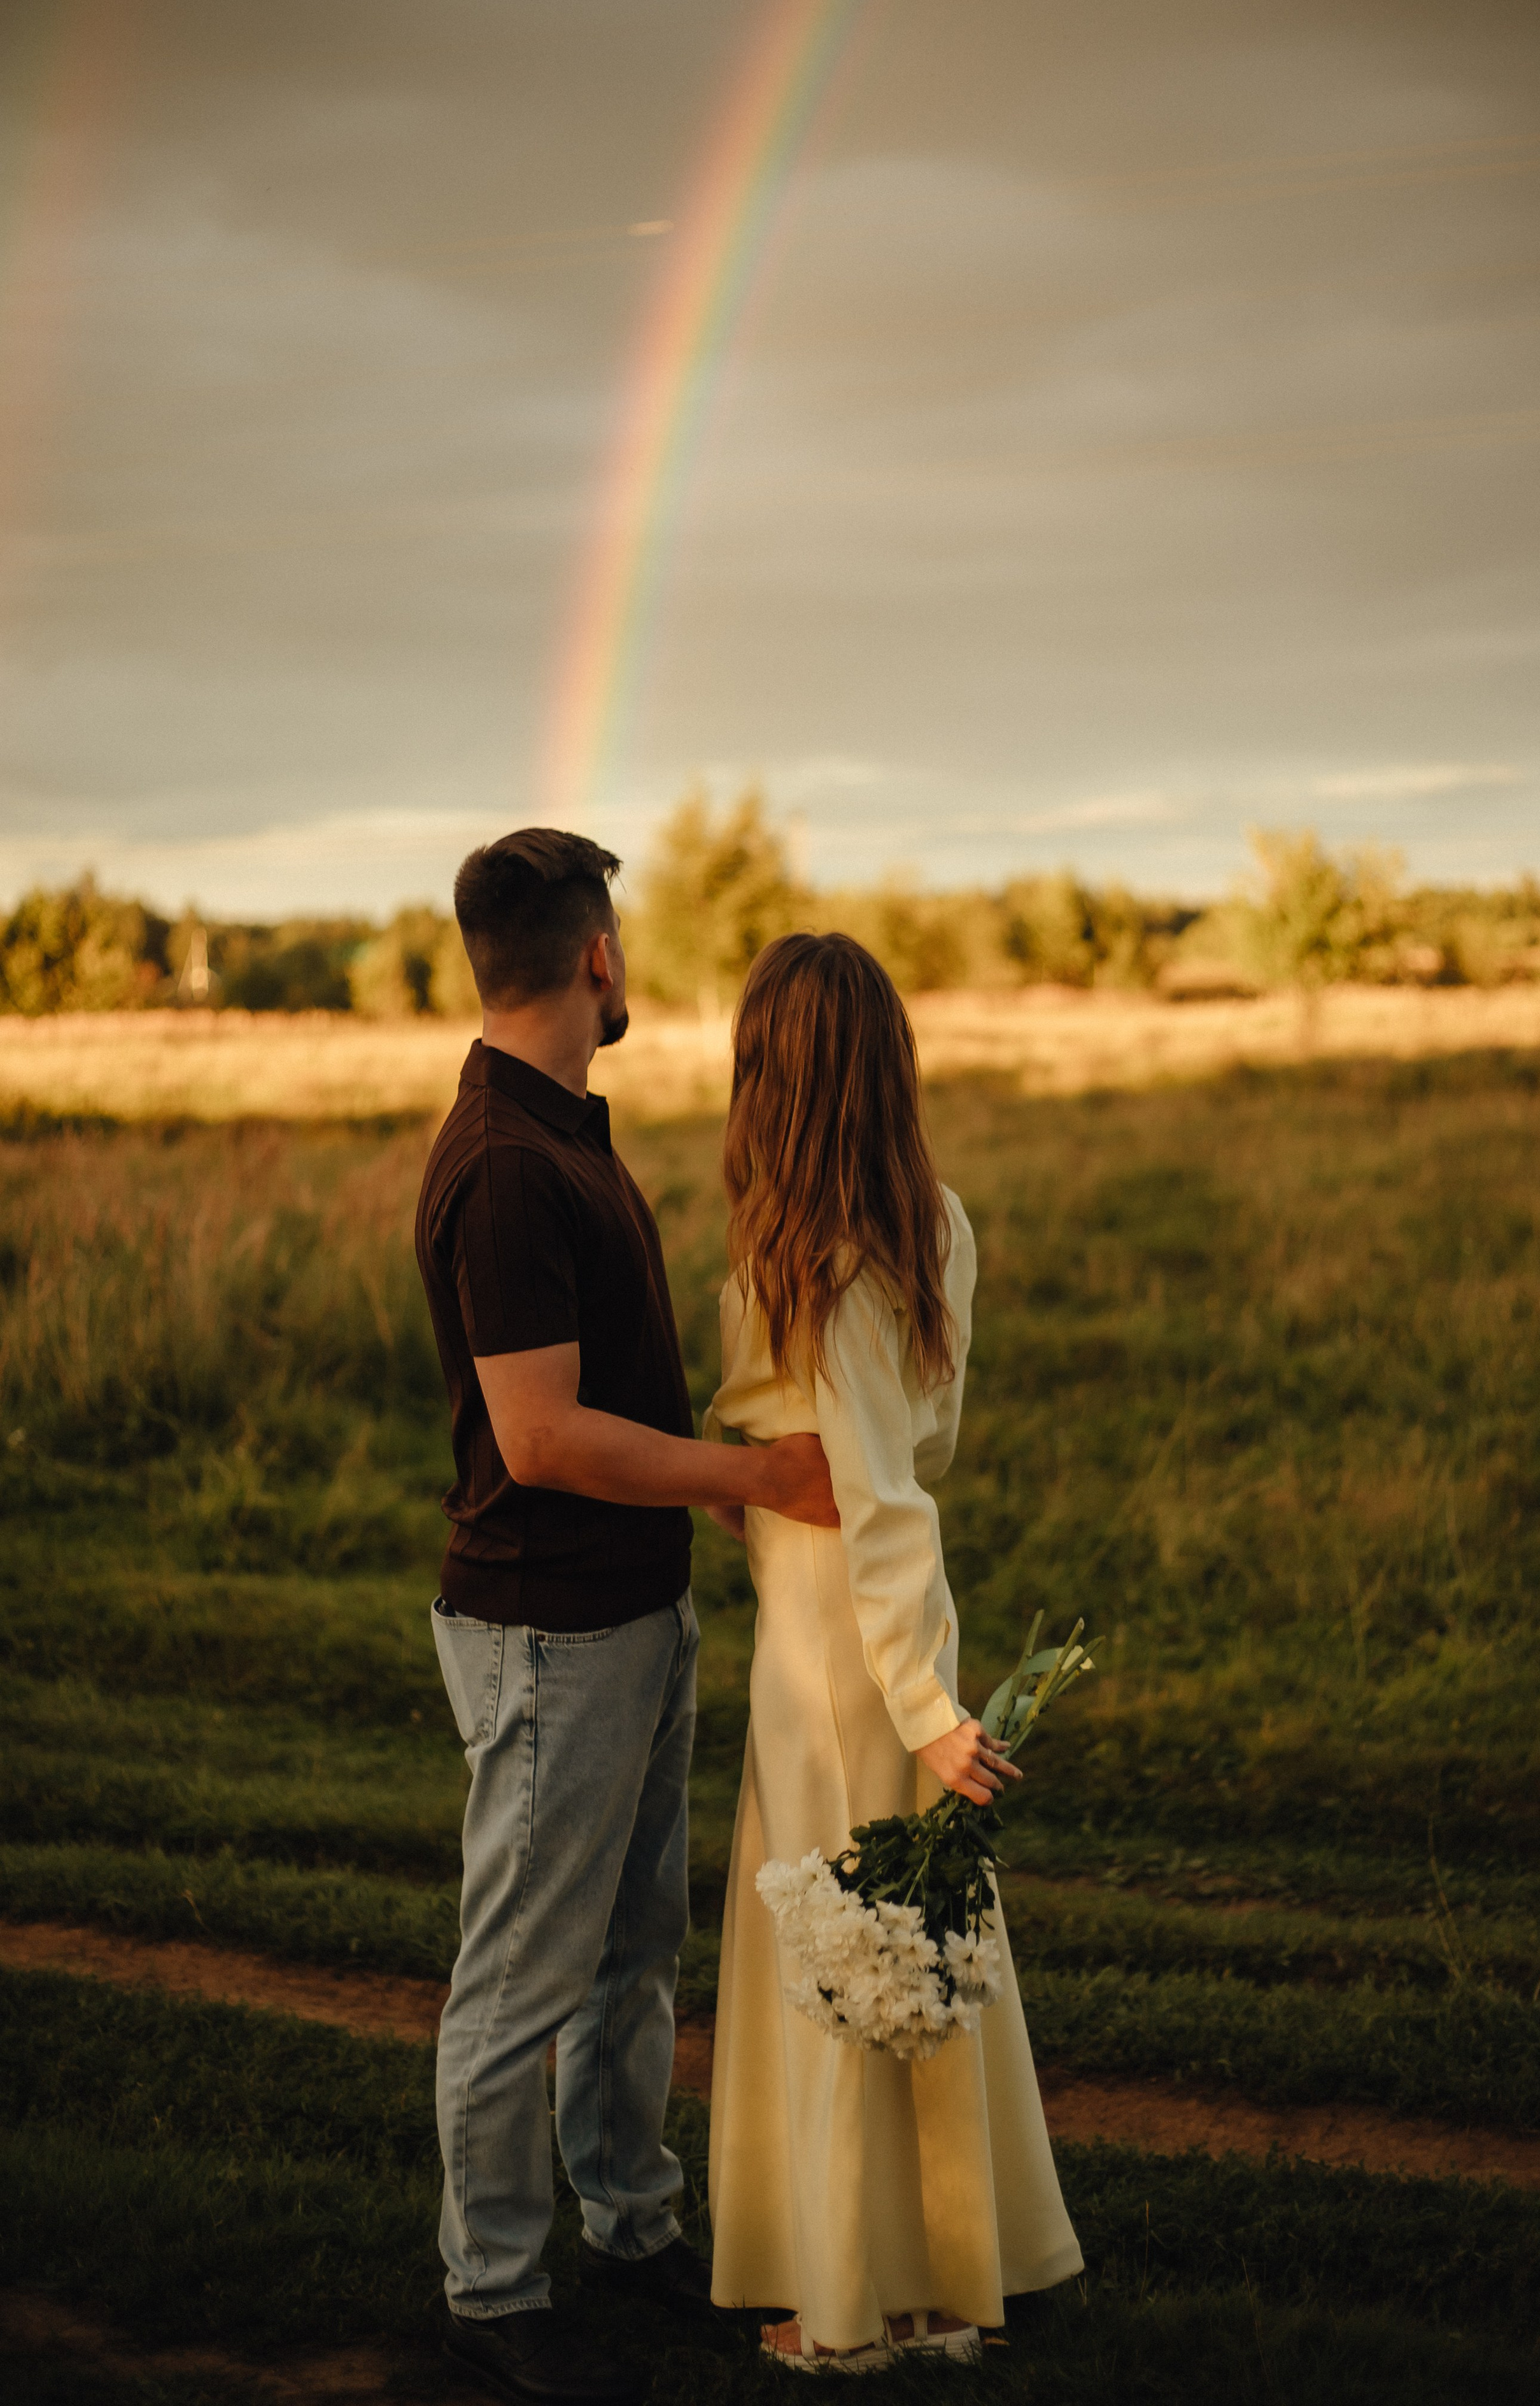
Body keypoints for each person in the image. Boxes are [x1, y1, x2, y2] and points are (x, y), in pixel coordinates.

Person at [413, 830, 839, 2406]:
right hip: (550, 1638)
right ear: (596, 957)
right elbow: (539, 1440)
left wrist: (706, 1501)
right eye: (622, 941)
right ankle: (495, 2288)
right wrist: (756, 1473)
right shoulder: (510, 1165)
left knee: (629, 1952)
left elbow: (606, 1399)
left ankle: (628, 2216)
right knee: (525, 1970)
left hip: (627, 1617)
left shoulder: (561, 1129)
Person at [702, 930, 1084, 2369]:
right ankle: (925, 2285)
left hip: (839, 1652)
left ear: (773, 1082)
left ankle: (856, 2310)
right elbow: (922, 1450)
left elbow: (877, 1502)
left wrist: (921, 1703)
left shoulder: (818, 1265)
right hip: (862, 1623)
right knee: (894, 1951)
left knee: (844, 1956)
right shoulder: (930, 1221)